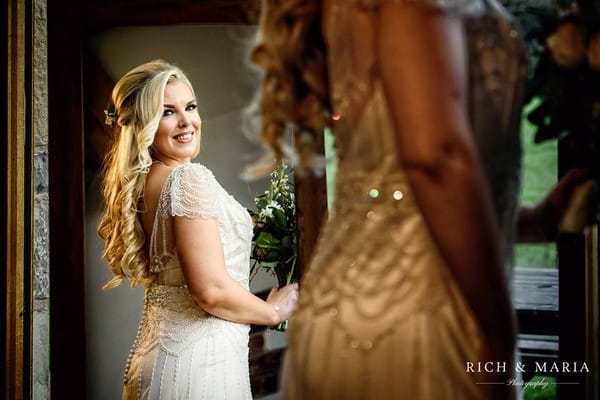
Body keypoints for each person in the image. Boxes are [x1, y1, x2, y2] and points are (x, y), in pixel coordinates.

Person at [249, 0, 530, 398]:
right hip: (417, 319)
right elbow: (435, 160)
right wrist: (499, 332)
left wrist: (532, 218)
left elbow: (393, 186)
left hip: (342, 304)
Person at [97, 59, 298, 400]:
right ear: (144, 124)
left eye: (190, 107)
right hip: (199, 366)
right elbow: (210, 290)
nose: (187, 121)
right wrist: (273, 312)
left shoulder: (145, 183)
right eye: (167, 112)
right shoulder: (188, 177)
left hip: (160, 358)